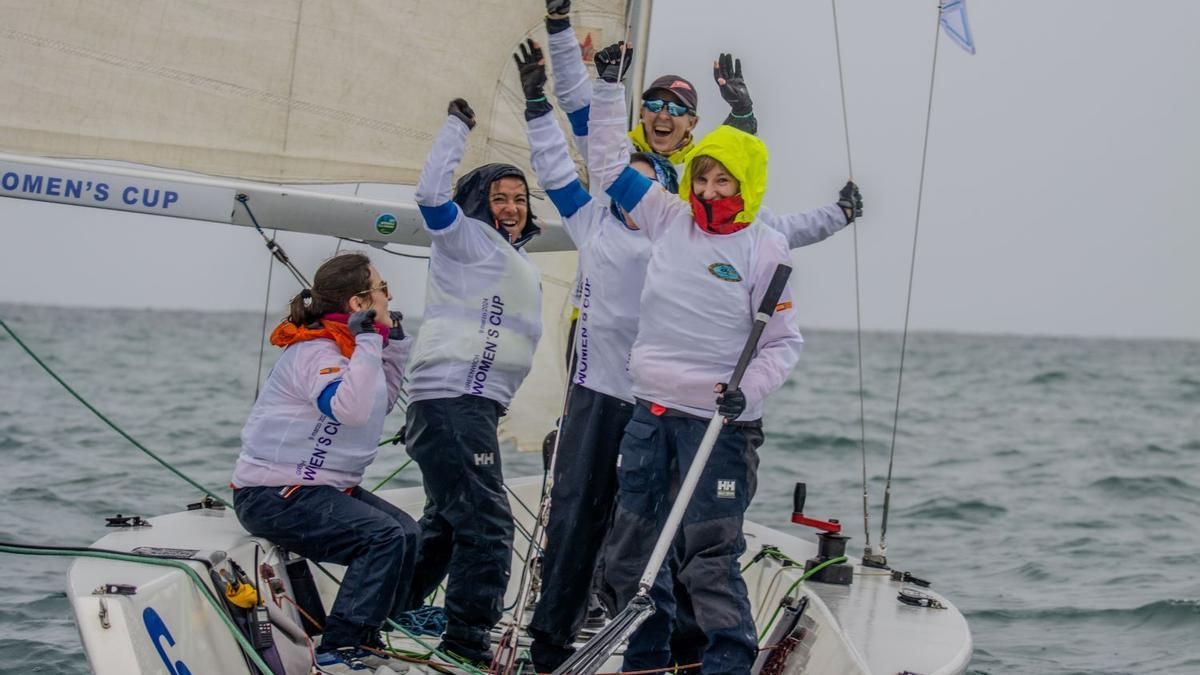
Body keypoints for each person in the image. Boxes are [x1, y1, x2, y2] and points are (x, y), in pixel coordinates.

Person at [589, 47, 805, 673]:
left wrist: (750, 391)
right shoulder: (666, 216)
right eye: (703, 179)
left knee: (708, 558)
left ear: (745, 186)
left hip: (719, 423)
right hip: (651, 412)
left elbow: (784, 342)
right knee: (633, 550)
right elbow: (606, 162)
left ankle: (728, 664)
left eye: (723, 181)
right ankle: (648, 662)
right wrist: (609, 89)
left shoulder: (765, 249)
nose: (710, 191)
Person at [510, 38, 681, 671]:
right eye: (630, 180)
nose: (635, 191)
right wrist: (536, 102)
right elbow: (560, 163)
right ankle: (551, 644)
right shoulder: (591, 220)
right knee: (578, 517)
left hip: (661, 399)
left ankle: (656, 644)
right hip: (597, 394)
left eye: (647, 183)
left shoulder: (676, 230)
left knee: (652, 524)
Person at [542, 0, 864, 249]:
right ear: (641, 113)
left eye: (676, 108)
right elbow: (575, 100)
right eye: (654, 104)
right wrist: (558, 25)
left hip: (664, 318)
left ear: (693, 122)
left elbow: (773, 229)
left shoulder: (702, 178)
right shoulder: (611, 154)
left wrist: (840, 213)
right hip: (594, 316)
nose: (663, 114)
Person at [404, 97, 544, 666]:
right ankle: (465, 644)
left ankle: (385, 611)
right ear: (478, 203)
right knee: (487, 527)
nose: (510, 208)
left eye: (519, 199)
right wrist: (456, 128)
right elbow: (431, 197)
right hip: (453, 401)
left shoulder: (509, 256)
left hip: (468, 405)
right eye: (498, 198)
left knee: (444, 524)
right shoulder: (465, 239)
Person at [231, 251, 416, 674]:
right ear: (358, 304)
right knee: (382, 537)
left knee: (407, 533)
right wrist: (371, 341)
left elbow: (377, 405)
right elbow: (347, 411)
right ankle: (342, 647)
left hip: (318, 488)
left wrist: (394, 348)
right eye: (382, 288)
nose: (390, 295)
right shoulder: (317, 351)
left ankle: (375, 629)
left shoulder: (351, 348)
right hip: (271, 494)